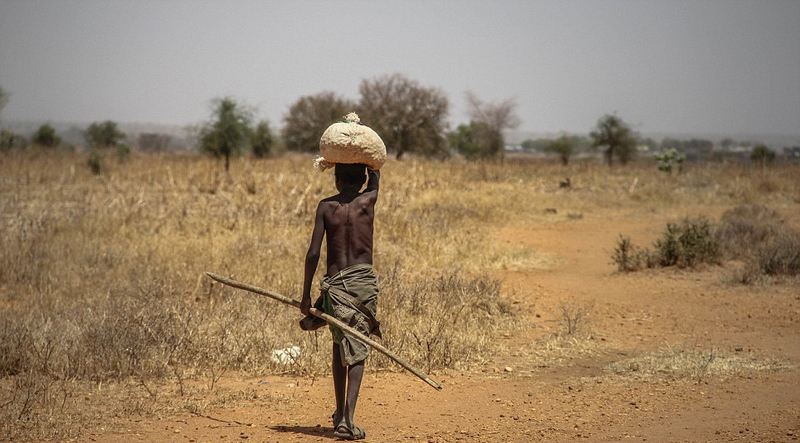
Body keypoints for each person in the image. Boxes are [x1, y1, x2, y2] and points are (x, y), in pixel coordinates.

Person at [299, 163, 381, 441]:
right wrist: (371, 169)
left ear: (335, 179)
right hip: (361, 287)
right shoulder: (369, 200)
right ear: (360, 180)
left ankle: (339, 413)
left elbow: (313, 254)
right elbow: (375, 180)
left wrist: (306, 293)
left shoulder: (325, 207)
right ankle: (347, 419)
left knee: (339, 344)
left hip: (334, 287)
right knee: (357, 347)